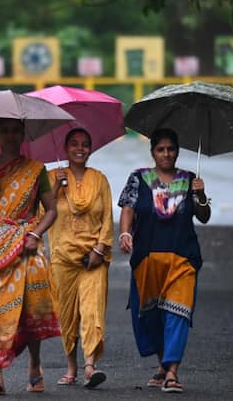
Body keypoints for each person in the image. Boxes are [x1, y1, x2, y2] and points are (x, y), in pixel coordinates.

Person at [0, 118, 61, 396]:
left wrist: (35, 234)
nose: (10, 136)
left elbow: (51, 210)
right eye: (5, 131)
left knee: (31, 308)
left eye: (15, 131)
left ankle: (34, 364)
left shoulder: (36, 170)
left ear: (23, 135)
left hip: (26, 243)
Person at [117, 128, 210, 394]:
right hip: (147, 258)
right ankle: (162, 362)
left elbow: (203, 216)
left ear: (177, 151)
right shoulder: (139, 178)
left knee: (178, 313)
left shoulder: (190, 179)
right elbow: (128, 209)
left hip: (183, 258)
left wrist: (201, 195)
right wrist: (125, 233)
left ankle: (172, 372)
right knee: (151, 315)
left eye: (171, 149)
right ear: (153, 152)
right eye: (161, 149)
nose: (166, 154)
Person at [46, 128, 114, 389]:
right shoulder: (52, 177)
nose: (79, 148)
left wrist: (100, 249)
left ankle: (89, 367)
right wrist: (55, 186)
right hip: (62, 257)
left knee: (92, 309)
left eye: (85, 144)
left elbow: (107, 217)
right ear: (65, 148)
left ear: (90, 149)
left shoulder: (100, 179)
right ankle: (71, 368)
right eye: (74, 144)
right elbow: (42, 212)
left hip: (93, 258)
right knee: (67, 315)